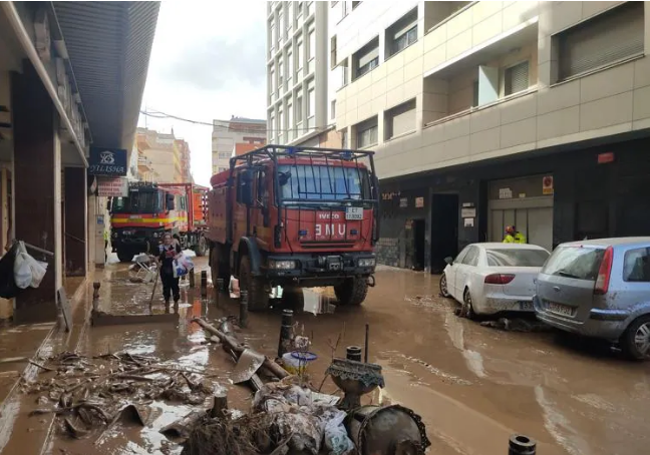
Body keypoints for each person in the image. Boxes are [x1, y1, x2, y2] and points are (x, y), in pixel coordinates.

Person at [157, 233, 182, 306]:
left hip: (174, 269)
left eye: (168, 238)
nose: (167, 240)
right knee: (166, 286)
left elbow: (181, 253)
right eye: (165, 239)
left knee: (175, 285)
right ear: (163, 240)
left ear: (171, 239)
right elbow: (156, 257)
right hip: (164, 269)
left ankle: (176, 302)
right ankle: (167, 301)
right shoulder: (160, 248)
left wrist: (177, 256)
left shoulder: (175, 246)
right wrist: (158, 263)